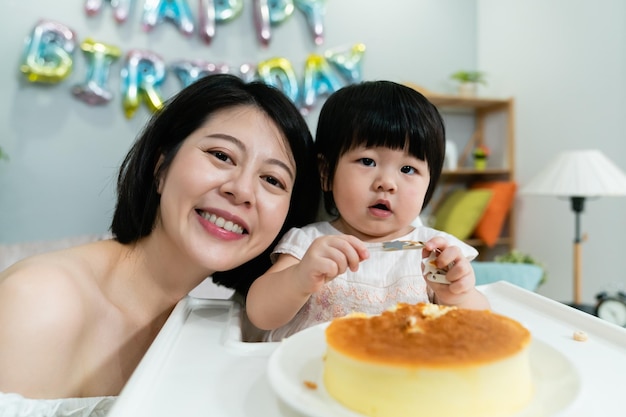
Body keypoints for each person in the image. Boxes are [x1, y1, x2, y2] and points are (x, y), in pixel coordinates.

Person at [0, 74, 320, 415]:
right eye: (222, 156)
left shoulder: (213, 324)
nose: (241, 190)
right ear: (160, 166)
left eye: (272, 180)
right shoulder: (41, 300)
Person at [245, 80, 490, 342]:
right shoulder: (311, 244)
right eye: (367, 161)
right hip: (315, 372)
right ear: (326, 172)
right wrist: (298, 278)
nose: (387, 182)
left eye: (408, 169)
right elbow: (260, 315)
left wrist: (458, 295)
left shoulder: (431, 250)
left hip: (406, 374)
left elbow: (480, 324)